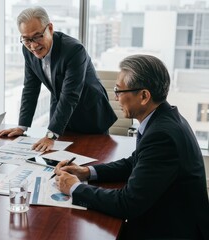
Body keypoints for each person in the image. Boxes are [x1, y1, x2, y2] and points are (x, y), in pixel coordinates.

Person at [54, 54, 209, 239]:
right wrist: (87, 172)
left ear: (144, 96)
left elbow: (127, 204)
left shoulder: (162, 135)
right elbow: (134, 162)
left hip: (173, 231)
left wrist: (75, 188)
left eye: (119, 91)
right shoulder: (162, 118)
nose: (115, 97)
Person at [0, 6, 117, 152]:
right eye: (27, 39)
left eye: (37, 36)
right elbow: (30, 88)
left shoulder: (74, 50)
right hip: (61, 117)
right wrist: (22, 126)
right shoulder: (27, 50)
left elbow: (70, 94)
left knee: (90, 164)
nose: (33, 45)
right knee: (57, 164)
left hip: (89, 113)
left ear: (50, 29)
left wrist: (51, 134)